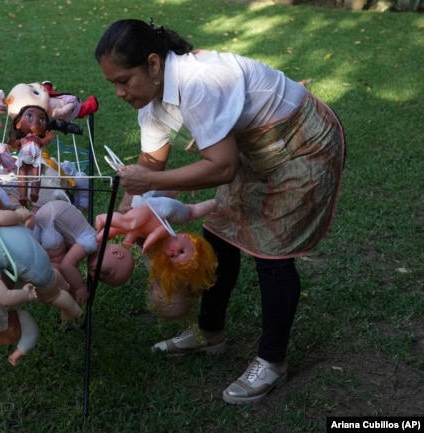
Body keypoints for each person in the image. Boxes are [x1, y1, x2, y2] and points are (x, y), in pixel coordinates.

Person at [94, 18, 345, 404]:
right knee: (221, 233)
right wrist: (121, 218)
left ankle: (272, 361)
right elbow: (150, 168)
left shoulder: (199, 83)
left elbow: (223, 167)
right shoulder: (153, 104)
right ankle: (210, 333)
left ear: (154, 64)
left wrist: (148, 184)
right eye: (113, 82)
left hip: (301, 143)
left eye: (124, 80)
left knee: (272, 255)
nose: (118, 92)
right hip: (254, 149)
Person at [30, 200, 135, 304]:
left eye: (101, 278)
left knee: (35, 249)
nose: (96, 275)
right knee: (57, 264)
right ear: (116, 253)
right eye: (107, 272)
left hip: (48, 217)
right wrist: (79, 288)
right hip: (51, 217)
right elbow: (67, 265)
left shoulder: (89, 240)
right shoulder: (92, 242)